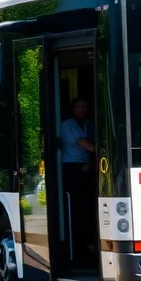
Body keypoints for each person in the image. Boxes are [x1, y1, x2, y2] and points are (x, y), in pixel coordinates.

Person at [60, 98, 96, 260]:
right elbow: (83, 143)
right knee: (79, 207)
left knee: (90, 206)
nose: (81, 110)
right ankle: (80, 245)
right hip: (72, 168)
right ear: (72, 109)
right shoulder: (67, 125)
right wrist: (103, 150)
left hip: (88, 166)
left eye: (84, 107)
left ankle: (90, 242)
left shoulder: (90, 124)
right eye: (78, 107)